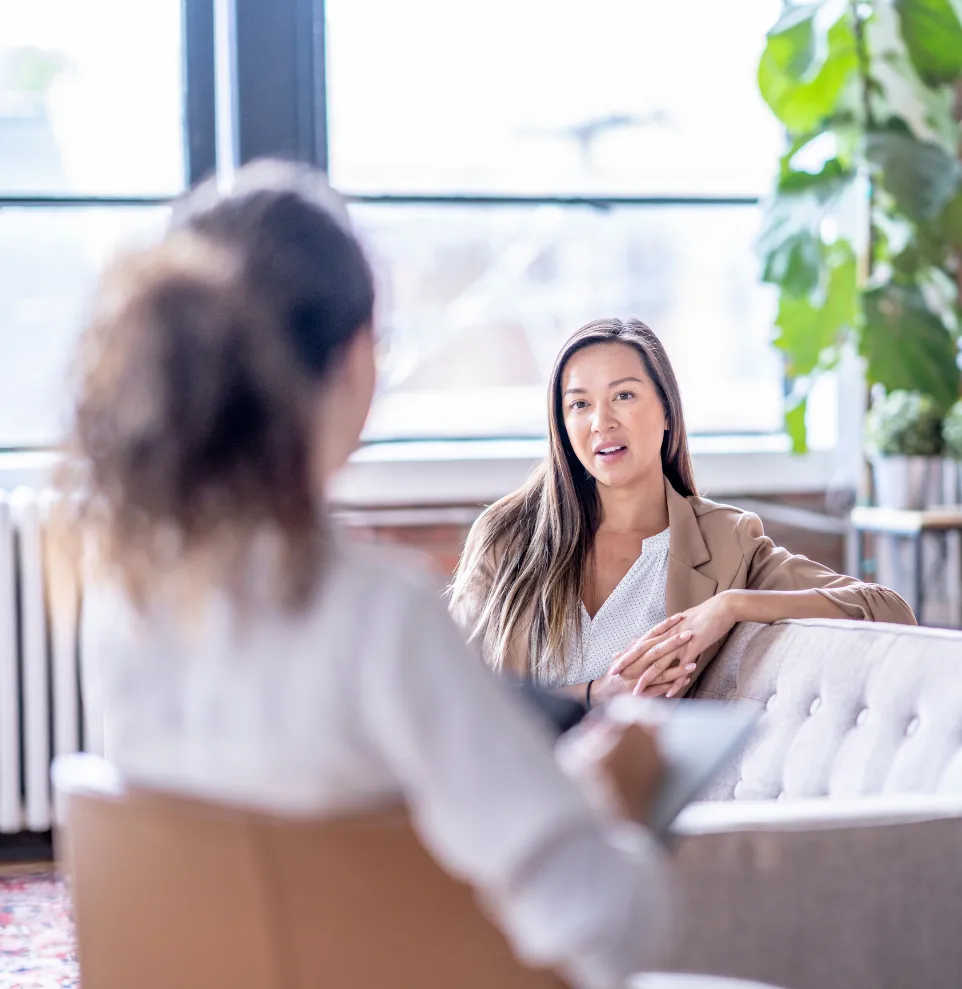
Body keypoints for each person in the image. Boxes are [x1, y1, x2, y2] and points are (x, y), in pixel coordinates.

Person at [59, 161, 673, 989]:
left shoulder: (123, 599)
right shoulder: (379, 615)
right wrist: (610, 804)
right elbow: (602, 927)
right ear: (354, 358)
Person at [449, 318, 916, 706]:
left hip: (651, 801)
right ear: (563, 424)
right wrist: (595, 695)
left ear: (667, 410)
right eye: (580, 404)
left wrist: (731, 605)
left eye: (624, 396)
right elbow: (449, 695)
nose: (601, 421)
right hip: (520, 792)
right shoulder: (507, 536)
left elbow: (888, 609)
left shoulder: (725, 541)